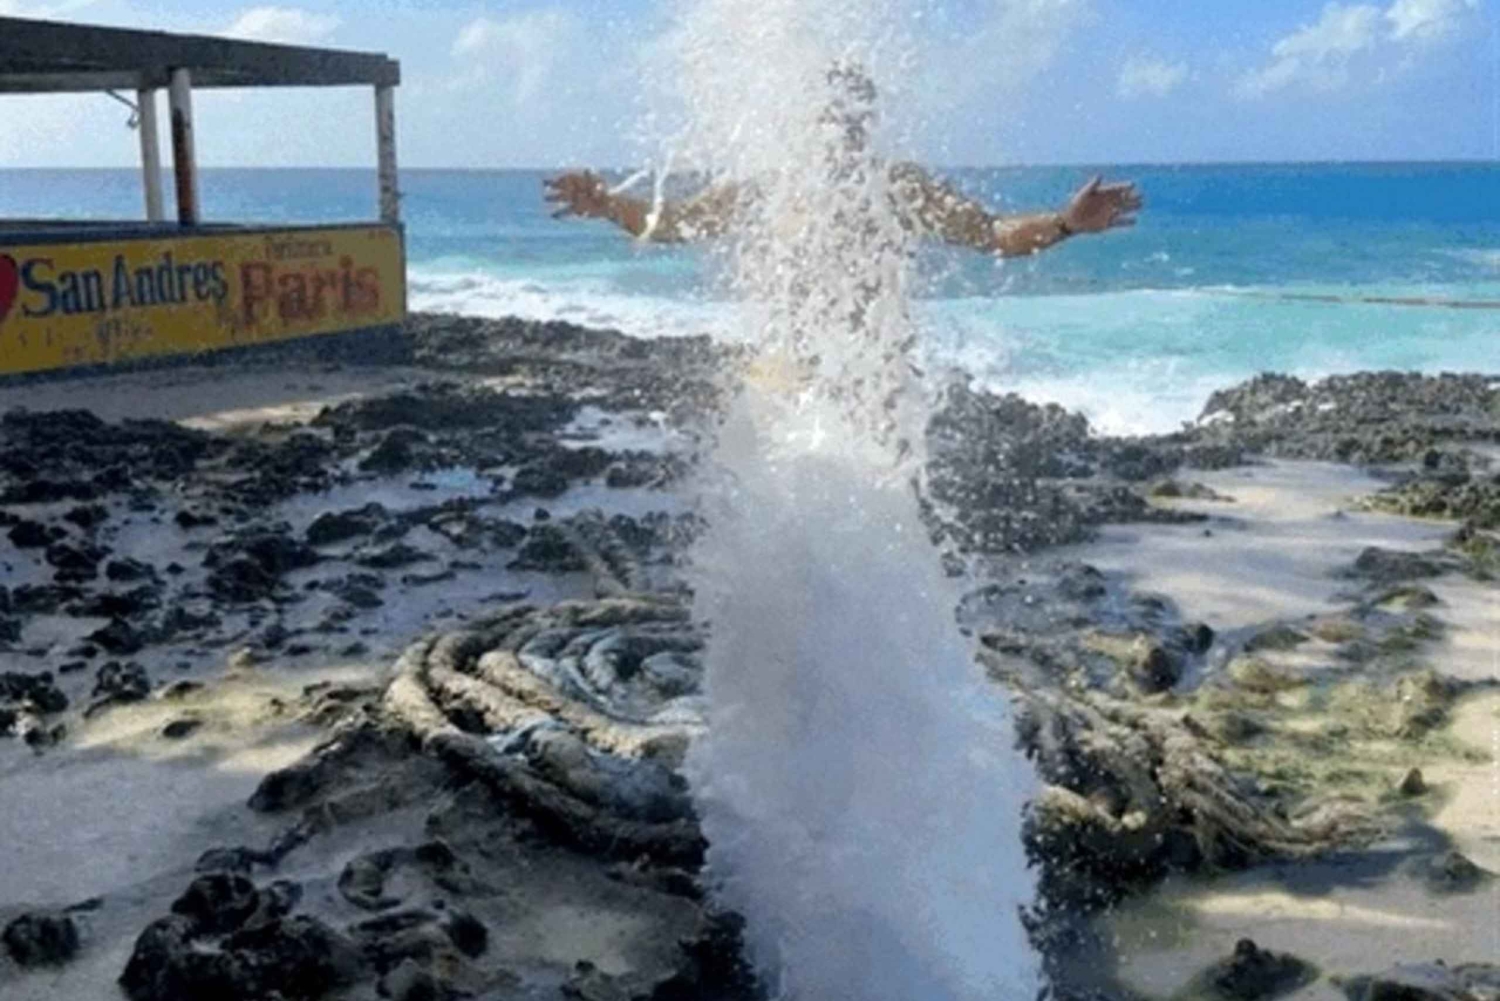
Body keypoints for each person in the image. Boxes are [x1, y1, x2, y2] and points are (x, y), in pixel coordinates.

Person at [542, 65, 1141, 258]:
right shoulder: (763, 188)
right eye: (828, 114)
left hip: (872, 389)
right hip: (781, 388)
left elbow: (989, 234)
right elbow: (670, 225)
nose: (840, 126)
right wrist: (605, 205)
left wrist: (1065, 224)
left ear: (867, 123)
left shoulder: (897, 187)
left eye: (853, 115)